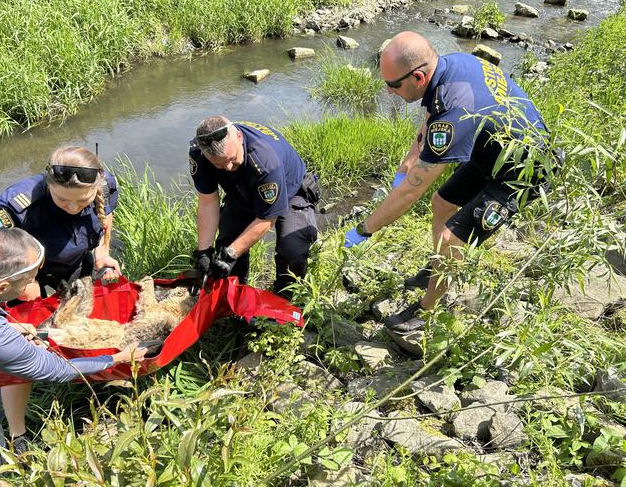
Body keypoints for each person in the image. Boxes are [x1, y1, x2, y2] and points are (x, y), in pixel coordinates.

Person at [344, 31, 553, 342]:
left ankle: (427, 310)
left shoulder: (454, 113)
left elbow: (413, 192)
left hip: (521, 171)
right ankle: (438, 268)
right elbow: (430, 119)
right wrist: (406, 165)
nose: (388, 92)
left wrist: (364, 229)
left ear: (417, 76)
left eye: (393, 85)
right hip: (491, 152)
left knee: (451, 237)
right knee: (442, 203)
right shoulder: (450, 66)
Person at [0, 146, 121, 450]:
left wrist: (103, 256)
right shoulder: (19, 205)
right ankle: (18, 432)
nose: (73, 208)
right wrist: (17, 291)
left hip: (74, 267)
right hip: (23, 280)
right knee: (20, 355)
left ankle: (93, 378)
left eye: (82, 201)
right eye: (63, 199)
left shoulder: (106, 184)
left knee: (83, 323)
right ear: (48, 184)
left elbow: (105, 222)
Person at [0, 228, 146, 470]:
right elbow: (57, 369)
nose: (33, 284)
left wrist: (7, 328)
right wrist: (117, 358)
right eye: (29, 280)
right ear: (1, 288)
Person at [189, 116, 319, 297]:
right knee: (225, 247)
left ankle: (285, 299)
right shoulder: (199, 154)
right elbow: (208, 201)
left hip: (290, 191)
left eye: (232, 159)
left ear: (239, 137)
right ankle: (235, 298)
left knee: (292, 251)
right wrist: (204, 251)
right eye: (219, 164)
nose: (227, 167)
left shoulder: (265, 161)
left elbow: (267, 219)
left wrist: (231, 254)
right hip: (244, 191)